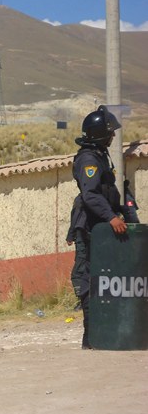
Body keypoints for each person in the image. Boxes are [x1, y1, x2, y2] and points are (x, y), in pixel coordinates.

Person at [67, 105, 127, 349]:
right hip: (89, 228)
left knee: (106, 280)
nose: (113, 136)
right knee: (86, 279)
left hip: (101, 228)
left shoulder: (101, 156)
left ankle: (106, 334)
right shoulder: (88, 159)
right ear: (99, 133)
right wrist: (111, 218)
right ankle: (90, 338)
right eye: (109, 132)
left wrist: (120, 212)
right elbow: (90, 195)